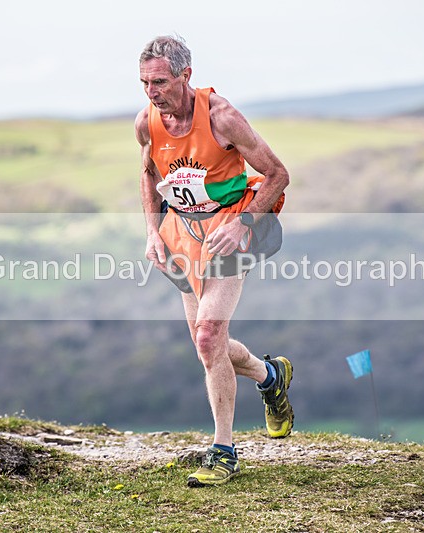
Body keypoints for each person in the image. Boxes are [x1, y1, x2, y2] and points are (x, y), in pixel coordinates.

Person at [135, 35, 294, 487]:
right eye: (144, 82)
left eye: (160, 81)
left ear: (186, 75)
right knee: (210, 347)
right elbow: (147, 174)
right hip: (182, 234)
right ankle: (270, 376)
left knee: (208, 337)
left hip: (229, 231)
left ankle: (223, 451)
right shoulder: (147, 122)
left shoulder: (222, 117)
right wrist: (151, 230)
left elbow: (278, 175)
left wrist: (243, 222)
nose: (152, 91)